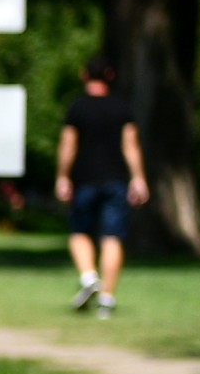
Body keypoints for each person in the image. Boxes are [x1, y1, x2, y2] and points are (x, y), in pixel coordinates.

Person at [53, 55, 150, 320]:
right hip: (116, 179)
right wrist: (138, 177)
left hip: (84, 179)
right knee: (112, 237)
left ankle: (88, 277)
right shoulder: (121, 107)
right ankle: (106, 298)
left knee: (79, 232)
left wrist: (62, 176)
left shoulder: (78, 107)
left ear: (83, 75)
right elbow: (131, 145)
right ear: (110, 76)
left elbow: (68, 144)